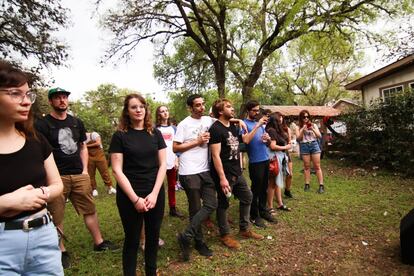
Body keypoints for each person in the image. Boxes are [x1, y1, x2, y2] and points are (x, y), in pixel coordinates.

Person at [35, 87, 118, 269]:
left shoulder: (76, 122)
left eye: (64, 97)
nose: (62, 100)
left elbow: (82, 146)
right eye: (57, 98)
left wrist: (84, 171)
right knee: (56, 215)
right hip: (56, 178)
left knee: (89, 209)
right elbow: (38, 151)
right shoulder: (42, 124)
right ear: (51, 101)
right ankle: (61, 251)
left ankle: (99, 242)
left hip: (79, 174)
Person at [0, 60, 63, 275]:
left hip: (43, 236)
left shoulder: (36, 140)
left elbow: (57, 185)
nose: (26, 101)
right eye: (15, 93)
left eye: (28, 94)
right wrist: (8, 201)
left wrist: (40, 193)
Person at [110, 94, 166, 276]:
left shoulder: (155, 133)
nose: (138, 110)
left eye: (141, 106)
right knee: (132, 240)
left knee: (152, 238)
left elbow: (163, 164)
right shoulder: (120, 136)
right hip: (129, 195)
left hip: (154, 192)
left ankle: (151, 272)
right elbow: (117, 170)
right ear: (127, 111)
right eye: (133, 107)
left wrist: (155, 194)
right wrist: (135, 199)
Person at [209, 98, 264, 250]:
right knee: (223, 203)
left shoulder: (232, 127)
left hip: (236, 172)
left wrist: (257, 126)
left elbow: (244, 140)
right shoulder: (215, 129)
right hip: (224, 175)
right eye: (228, 107)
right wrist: (221, 178)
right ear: (220, 111)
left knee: (247, 196)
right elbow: (215, 156)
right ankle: (225, 235)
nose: (232, 109)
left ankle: (244, 229)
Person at [174, 94, 218, 261]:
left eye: (202, 104)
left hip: (205, 170)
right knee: (195, 209)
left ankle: (186, 235)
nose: (201, 107)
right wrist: (197, 141)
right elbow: (175, 147)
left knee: (211, 204)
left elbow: (222, 122)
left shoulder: (208, 120)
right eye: (197, 105)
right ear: (190, 108)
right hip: (188, 171)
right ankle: (199, 242)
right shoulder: (183, 124)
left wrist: (239, 121)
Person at [243, 100, 277, 228]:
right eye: (254, 110)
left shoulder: (261, 125)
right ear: (248, 111)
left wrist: (267, 139)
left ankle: (263, 211)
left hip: (265, 158)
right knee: (256, 189)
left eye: (258, 110)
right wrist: (257, 125)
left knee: (264, 188)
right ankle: (254, 214)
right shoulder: (245, 124)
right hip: (255, 161)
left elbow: (266, 143)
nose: (257, 113)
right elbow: (246, 140)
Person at [155, 105, 184, 218]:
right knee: (158, 187)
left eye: (166, 110)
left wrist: (177, 159)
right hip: (159, 164)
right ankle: (157, 210)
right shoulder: (155, 130)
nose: (165, 113)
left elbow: (177, 145)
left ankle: (172, 209)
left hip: (172, 162)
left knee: (172, 186)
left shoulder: (174, 129)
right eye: (162, 111)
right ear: (158, 114)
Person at [266, 112, 292, 212]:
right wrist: (286, 147)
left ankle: (280, 203)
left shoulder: (278, 130)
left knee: (278, 182)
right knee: (272, 183)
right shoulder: (271, 130)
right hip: (274, 157)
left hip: (280, 156)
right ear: (275, 120)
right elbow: (272, 146)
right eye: (279, 117)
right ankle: (270, 207)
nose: (281, 119)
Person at [295, 110, 325, 193]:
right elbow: (298, 139)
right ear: (301, 118)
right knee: (306, 166)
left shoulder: (313, 125)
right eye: (304, 117)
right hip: (304, 145)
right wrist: (302, 130)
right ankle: (307, 184)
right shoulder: (298, 127)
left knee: (317, 166)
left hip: (314, 145)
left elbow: (319, 136)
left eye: (307, 116)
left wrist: (313, 129)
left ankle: (321, 185)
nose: (306, 118)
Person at [85, 131, 116, 197]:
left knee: (104, 171)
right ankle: (94, 189)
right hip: (89, 157)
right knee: (91, 174)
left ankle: (110, 187)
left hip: (99, 156)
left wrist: (86, 145)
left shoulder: (93, 134)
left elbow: (98, 143)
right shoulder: (82, 139)